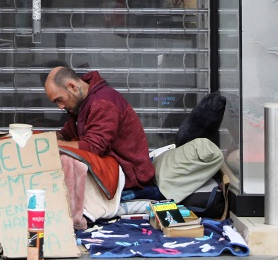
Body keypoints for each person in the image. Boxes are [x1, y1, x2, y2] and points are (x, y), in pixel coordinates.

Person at [44, 65, 226, 204]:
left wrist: (49, 146)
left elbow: (93, 147)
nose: (60, 106)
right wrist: (38, 141)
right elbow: (67, 134)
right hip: (115, 170)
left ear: (72, 86)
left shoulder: (102, 103)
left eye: (59, 99)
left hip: (131, 179)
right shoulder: (82, 102)